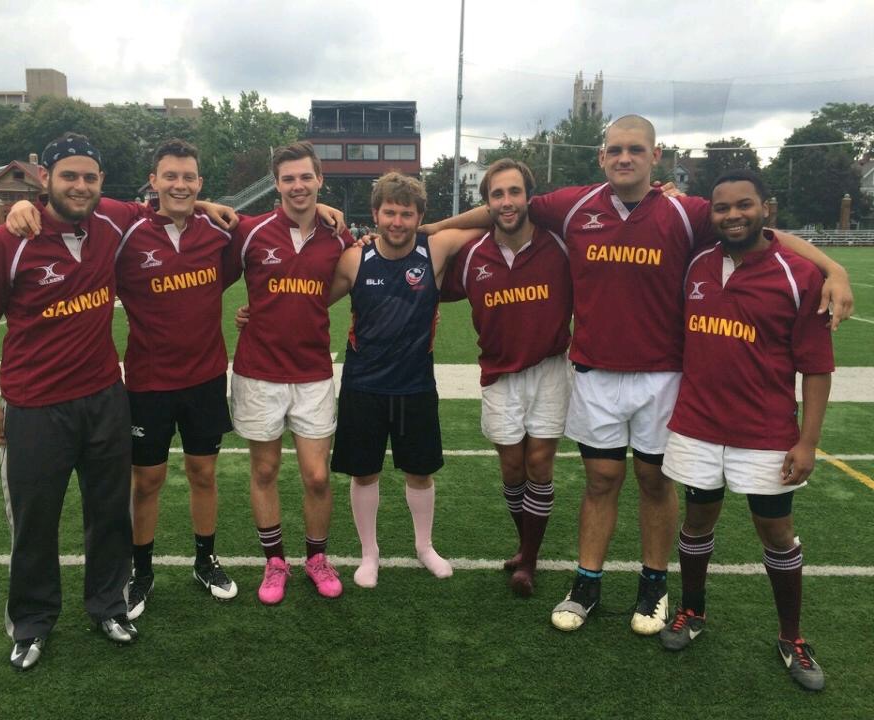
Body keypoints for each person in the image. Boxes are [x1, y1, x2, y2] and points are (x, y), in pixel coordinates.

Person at [422, 115, 852, 636]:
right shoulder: (575, 205)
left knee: (653, 480)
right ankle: (587, 581)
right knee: (601, 480)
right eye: (615, 149)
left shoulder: (686, 211)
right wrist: (430, 230)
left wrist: (834, 269)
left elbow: (762, 230)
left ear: (656, 155)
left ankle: (653, 583)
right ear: (603, 157)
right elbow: (500, 209)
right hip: (596, 372)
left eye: (635, 149)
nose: (624, 157)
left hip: (663, 376)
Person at [0, 133, 139, 670]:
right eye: (69, 176)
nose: (80, 186)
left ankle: (108, 605)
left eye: (89, 177)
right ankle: (32, 623)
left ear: (101, 183)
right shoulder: (8, 239)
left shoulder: (112, 220)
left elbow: (174, 199)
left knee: (110, 512)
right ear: (46, 179)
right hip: (36, 405)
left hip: (105, 397)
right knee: (36, 520)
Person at [658, 169, 833, 691]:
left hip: (766, 432)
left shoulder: (798, 274)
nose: (733, 215)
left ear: (766, 209)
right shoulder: (697, 264)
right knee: (696, 523)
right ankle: (693, 612)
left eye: (744, 205)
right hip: (697, 426)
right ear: (710, 215)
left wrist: (808, 441)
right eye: (722, 208)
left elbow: (817, 367)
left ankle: (792, 637)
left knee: (776, 532)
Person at [328, 171, 474, 588]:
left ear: (419, 217)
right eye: (389, 213)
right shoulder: (356, 258)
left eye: (406, 214)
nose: (397, 222)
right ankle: (369, 553)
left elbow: (493, 219)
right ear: (375, 214)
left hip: (415, 387)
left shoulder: (436, 248)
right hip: (363, 385)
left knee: (420, 473)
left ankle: (424, 546)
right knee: (364, 473)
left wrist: (437, 227)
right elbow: (309, 301)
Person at [113, 139, 239, 618]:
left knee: (203, 473)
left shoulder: (219, 232)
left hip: (205, 378)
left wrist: (327, 207)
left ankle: (205, 560)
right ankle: (140, 571)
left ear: (200, 182)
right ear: (154, 180)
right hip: (147, 381)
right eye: (171, 176)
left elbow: (278, 225)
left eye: (189, 177)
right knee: (147, 480)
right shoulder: (129, 231)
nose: (180, 184)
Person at [228, 141, 354, 604]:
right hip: (258, 372)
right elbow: (202, 217)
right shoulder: (250, 230)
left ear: (320, 179)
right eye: (288, 179)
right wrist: (255, 311)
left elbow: (342, 283)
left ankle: (317, 558)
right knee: (264, 469)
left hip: (313, 373)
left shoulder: (339, 236)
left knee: (317, 476)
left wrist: (297, 307)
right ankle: (275, 561)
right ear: (275, 184)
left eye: (306, 177)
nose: (297, 186)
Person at [439, 159, 573, 596]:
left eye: (514, 192)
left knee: (539, 464)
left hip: (550, 369)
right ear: (487, 204)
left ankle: (528, 562)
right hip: (498, 373)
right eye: (497, 194)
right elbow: (423, 281)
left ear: (528, 197)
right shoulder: (474, 255)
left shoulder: (559, 246)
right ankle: (525, 544)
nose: (507, 202)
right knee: (512, 469)